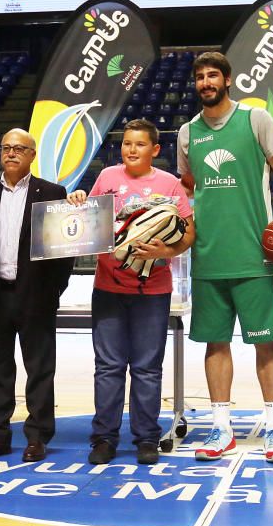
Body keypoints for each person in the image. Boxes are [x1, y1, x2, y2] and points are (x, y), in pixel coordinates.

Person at [177, 51, 273, 463]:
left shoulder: (255, 119)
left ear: (228, 80)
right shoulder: (187, 133)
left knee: (266, 342)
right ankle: (221, 428)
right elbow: (188, 188)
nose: (206, 82)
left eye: (213, 75)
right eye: (200, 77)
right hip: (207, 257)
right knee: (215, 344)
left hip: (255, 254)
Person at [67, 119, 195, 465]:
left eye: (139, 144)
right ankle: (104, 438)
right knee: (108, 367)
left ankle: (146, 438)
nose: (131, 150)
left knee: (147, 367)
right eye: (126, 144)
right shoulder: (107, 177)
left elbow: (188, 234)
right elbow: (88, 223)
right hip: (108, 287)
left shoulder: (169, 184)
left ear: (155, 150)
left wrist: (163, 253)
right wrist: (78, 200)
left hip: (153, 290)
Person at [0, 128, 74, 463]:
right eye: (6, 147)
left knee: (39, 369)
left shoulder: (52, 192)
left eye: (19, 148)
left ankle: (37, 437)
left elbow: (64, 251)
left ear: (32, 155)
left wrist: (53, 291)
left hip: (35, 296)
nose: (11, 153)